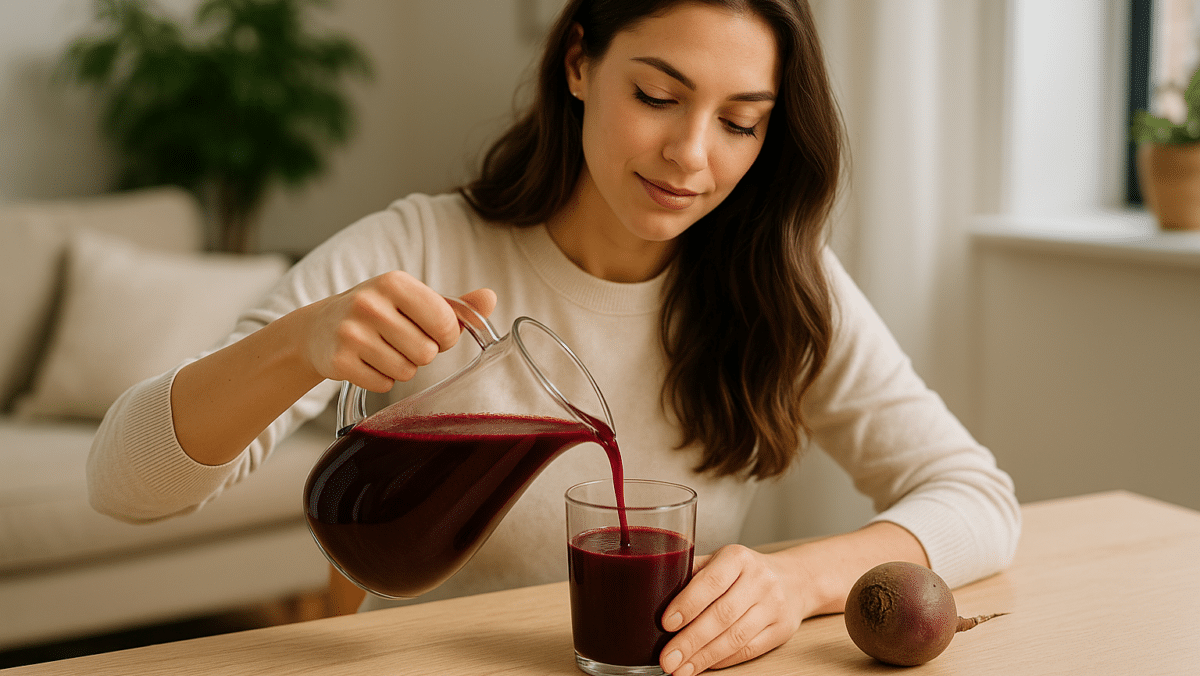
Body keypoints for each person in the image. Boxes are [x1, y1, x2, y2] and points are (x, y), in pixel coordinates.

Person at [88, 0, 1020, 674]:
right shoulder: (421, 245)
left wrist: (795, 582)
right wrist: (293, 346)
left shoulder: (779, 281)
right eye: (658, 95)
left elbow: (978, 498)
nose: (694, 155)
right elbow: (123, 488)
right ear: (579, 62)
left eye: (741, 123)